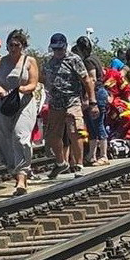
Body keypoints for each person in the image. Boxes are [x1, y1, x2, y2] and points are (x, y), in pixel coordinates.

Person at [0, 29, 39, 195]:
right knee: (5, 140)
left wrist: (21, 89)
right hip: (4, 103)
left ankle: (22, 177)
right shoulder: (1, 61)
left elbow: (33, 83)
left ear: (23, 46)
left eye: (17, 45)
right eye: (10, 45)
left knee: (20, 137)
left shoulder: (29, 61)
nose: (13, 48)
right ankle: (14, 170)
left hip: (24, 103)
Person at [42, 33, 99, 179]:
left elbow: (87, 81)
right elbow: (43, 80)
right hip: (55, 103)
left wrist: (92, 102)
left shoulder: (74, 59)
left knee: (75, 131)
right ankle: (61, 162)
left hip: (72, 101)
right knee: (52, 136)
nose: (57, 52)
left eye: (60, 49)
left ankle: (78, 164)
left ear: (65, 46)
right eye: (55, 49)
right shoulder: (48, 62)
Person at [72, 35, 109, 166]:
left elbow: (92, 79)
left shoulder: (88, 61)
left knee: (98, 124)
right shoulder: (95, 58)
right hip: (100, 92)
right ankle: (92, 155)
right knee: (92, 126)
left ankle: (104, 155)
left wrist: (88, 98)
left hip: (96, 93)